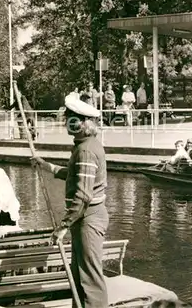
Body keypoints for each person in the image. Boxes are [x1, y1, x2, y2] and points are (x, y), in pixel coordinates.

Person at [31, 94, 109, 308]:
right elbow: (76, 175)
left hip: (88, 220)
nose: (66, 122)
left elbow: (83, 195)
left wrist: (63, 226)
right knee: (79, 275)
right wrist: (48, 167)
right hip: (83, 219)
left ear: (83, 123)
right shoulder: (85, 145)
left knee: (90, 279)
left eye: (71, 119)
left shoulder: (85, 150)